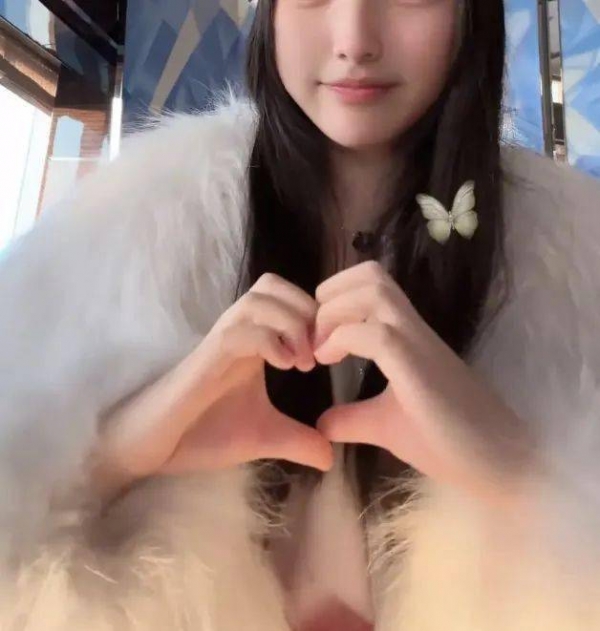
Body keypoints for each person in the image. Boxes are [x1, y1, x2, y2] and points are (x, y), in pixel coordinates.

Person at [1, 0, 600, 629]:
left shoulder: (576, 252)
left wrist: (525, 474)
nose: (354, 41)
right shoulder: (131, 225)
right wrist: (122, 450)